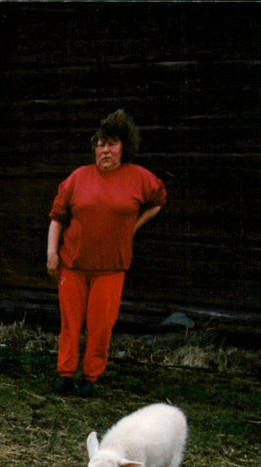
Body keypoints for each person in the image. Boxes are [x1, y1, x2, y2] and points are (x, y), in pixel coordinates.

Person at [46, 109, 166, 396]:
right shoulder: (78, 178)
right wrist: (52, 253)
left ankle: (90, 378)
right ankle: (65, 374)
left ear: (124, 146)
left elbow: (159, 200)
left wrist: (133, 226)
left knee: (100, 327)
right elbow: (57, 217)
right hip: (73, 265)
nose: (105, 150)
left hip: (111, 268)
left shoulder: (139, 178)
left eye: (111, 144)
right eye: (100, 145)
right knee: (70, 324)